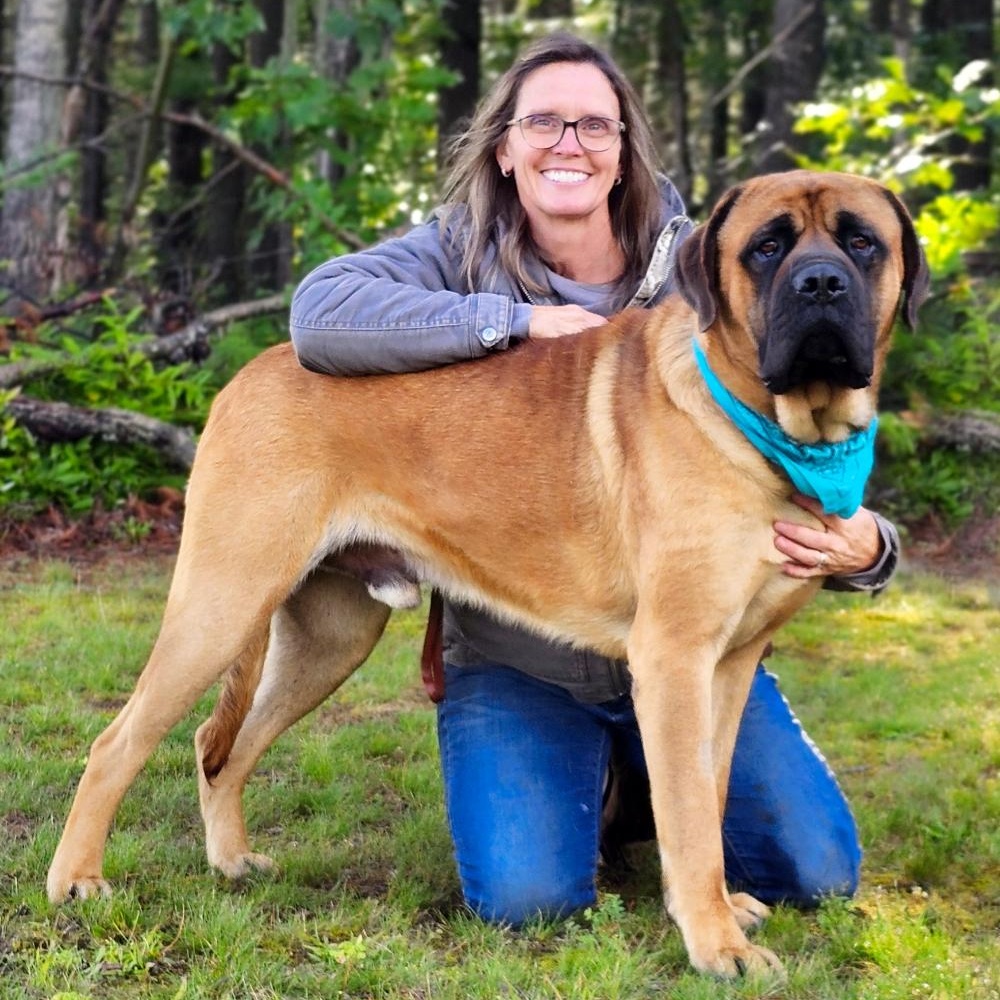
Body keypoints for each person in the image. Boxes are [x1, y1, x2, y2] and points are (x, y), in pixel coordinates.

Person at [288, 33, 899, 926]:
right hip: (519, 659)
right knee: (528, 899)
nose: (568, 142)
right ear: (504, 146)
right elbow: (320, 311)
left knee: (818, 872)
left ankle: (641, 779)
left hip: (687, 644)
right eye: (543, 121)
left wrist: (871, 546)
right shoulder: (457, 254)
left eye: (594, 125)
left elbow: (797, 462)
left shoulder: (705, 256)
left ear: (622, 152)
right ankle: (608, 783)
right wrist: (513, 325)